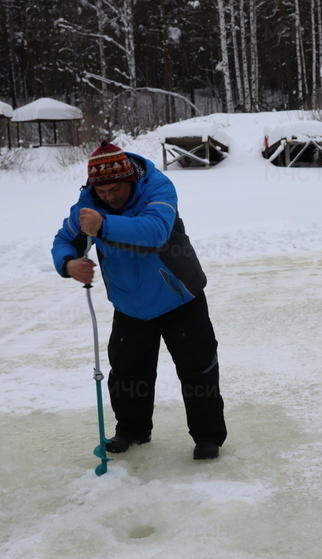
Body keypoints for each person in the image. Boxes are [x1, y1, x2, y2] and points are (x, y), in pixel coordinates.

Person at [52, 140, 227, 460]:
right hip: (130, 303)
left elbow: (155, 231)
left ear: (130, 180)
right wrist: (69, 263)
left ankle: (208, 436)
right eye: (102, 192)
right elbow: (65, 239)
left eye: (116, 190)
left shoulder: (157, 189)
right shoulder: (89, 203)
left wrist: (104, 225)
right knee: (128, 373)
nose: (109, 197)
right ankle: (131, 430)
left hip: (180, 298)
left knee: (198, 370)